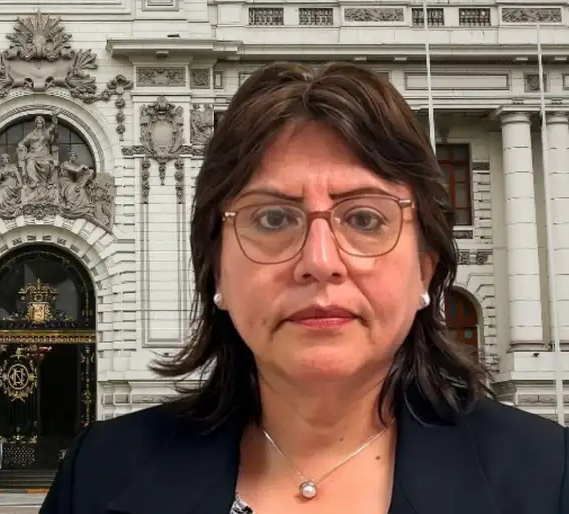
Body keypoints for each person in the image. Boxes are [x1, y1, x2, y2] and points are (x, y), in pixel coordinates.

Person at [39, 62, 569, 513]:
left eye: (364, 218)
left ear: (425, 270)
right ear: (217, 269)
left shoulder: (549, 480)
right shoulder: (98, 477)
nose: (320, 262)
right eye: (272, 219)